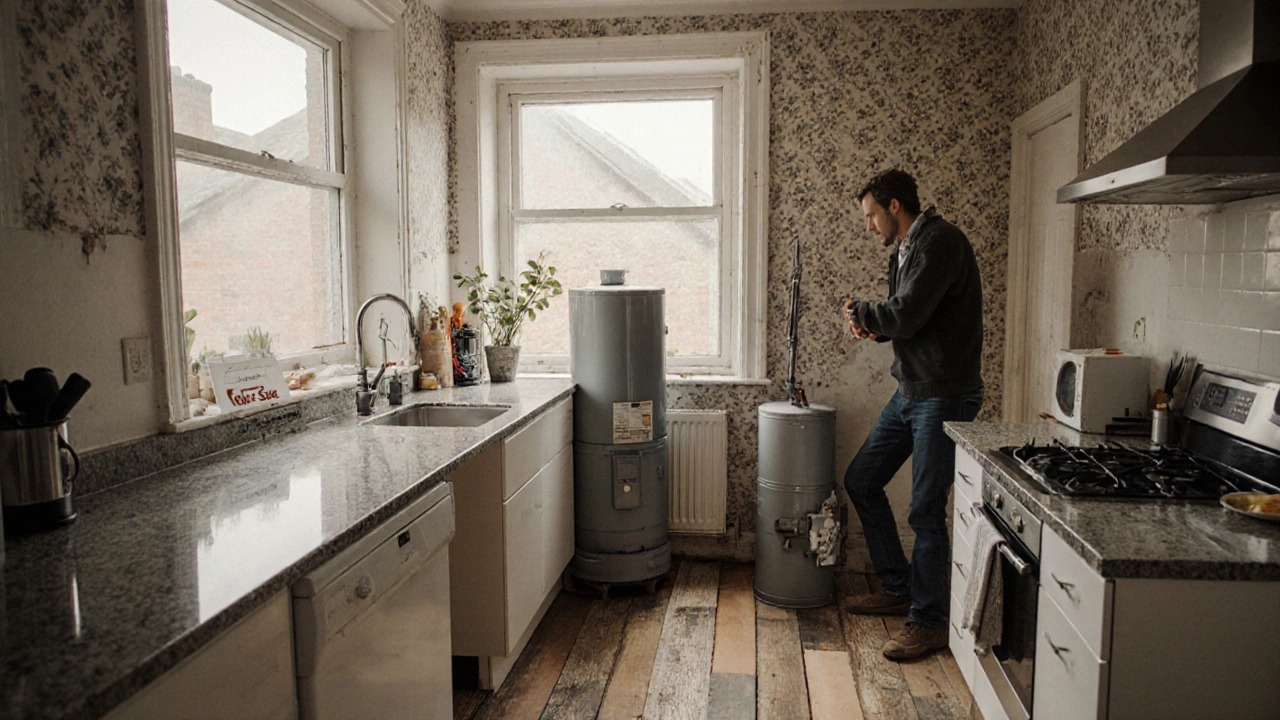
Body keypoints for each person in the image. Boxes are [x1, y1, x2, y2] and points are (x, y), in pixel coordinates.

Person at [841, 169, 985, 662]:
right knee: (862, 479)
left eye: (871, 215)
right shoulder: (906, 249)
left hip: (943, 395)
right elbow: (911, 319)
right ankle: (899, 587)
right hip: (912, 390)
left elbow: (905, 313)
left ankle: (928, 622)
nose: (869, 226)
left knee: (925, 510)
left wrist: (863, 313)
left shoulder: (940, 243)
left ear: (895, 206)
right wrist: (875, 329)